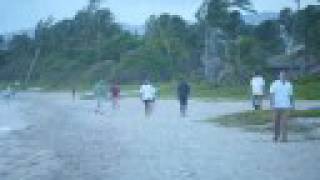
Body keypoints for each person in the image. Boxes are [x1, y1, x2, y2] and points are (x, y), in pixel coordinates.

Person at [270, 70, 294, 142]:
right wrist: (272, 103)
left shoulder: (289, 84)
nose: (283, 76)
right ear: (279, 76)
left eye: (284, 75)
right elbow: (272, 94)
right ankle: (276, 136)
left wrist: (292, 104)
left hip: (286, 106)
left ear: (286, 76)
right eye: (281, 75)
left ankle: (284, 137)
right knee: (276, 122)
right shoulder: (274, 84)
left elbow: (291, 95)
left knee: (284, 123)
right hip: (276, 106)